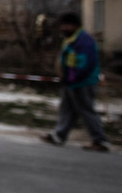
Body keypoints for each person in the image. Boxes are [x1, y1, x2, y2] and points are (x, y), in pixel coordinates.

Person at [42, 12, 109, 152]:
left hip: (82, 82)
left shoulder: (83, 41)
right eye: (62, 25)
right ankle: (59, 135)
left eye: (67, 25)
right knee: (67, 109)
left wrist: (73, 78)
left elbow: (84, 64)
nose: (63, 28)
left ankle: (100, 140)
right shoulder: (71, 39)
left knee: (85, 110)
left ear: (76, 26)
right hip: (71, 81)